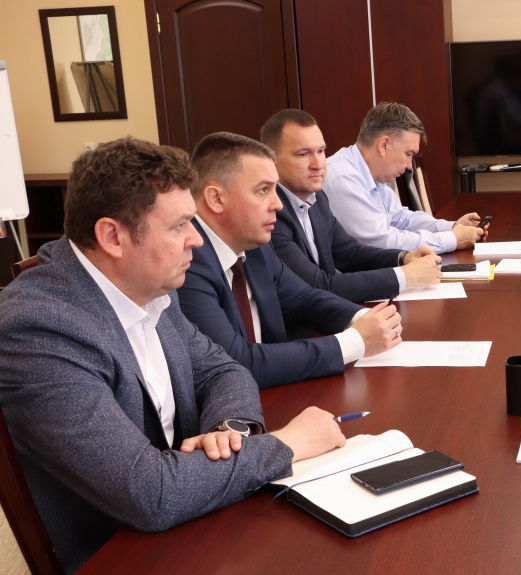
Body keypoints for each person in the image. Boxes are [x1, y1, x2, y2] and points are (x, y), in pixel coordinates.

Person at [0, 137, 348, 573]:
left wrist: (228, 431)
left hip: (196, 522)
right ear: (112, 236)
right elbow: (151, 493)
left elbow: (224, 370)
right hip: (121, 554)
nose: (196, 240)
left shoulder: (148, 283)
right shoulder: (38, 330)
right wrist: (287, 444)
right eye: (180, 225)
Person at [178, 132, 402, 389]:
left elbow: (303, 299)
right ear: (216, 199)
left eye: (275, 189)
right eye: (263, 190)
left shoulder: (255, 244)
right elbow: (236, 362)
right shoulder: (187, 263)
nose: (278, 204)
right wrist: (355, 342)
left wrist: (365, 318)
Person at [261, 109, 443, 303]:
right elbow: (317, 286)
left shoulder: (317, 198)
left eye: (320, 151)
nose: (318, 164)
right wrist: (404, 276)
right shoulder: (271, 214)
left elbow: (350, 253)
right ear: (272, 162)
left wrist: (403, 257)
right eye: (303, 154)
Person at [322, 102, 488, 254]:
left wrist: (453, 227)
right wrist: (452, 239)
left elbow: (403, 220)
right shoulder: (343, 179)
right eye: (408, 154)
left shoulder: (374, 175)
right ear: (384, 145)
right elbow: (382, 242)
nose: (410, 165)